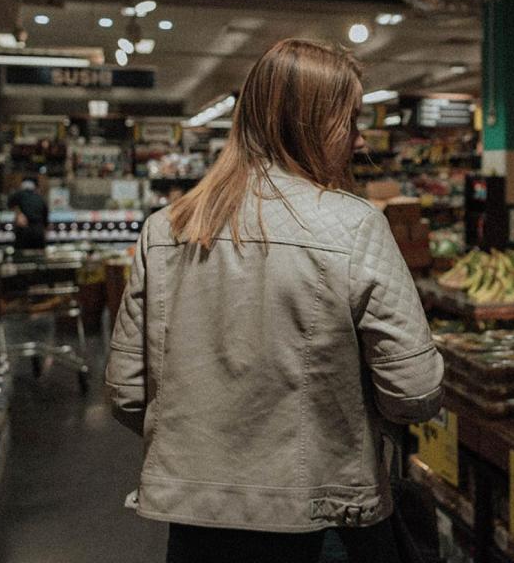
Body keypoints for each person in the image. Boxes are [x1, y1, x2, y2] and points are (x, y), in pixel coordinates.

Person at [106, 39, 444, 563]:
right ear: (306, 123)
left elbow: (127, 393)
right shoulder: (354, 227)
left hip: (197, 523)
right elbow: (415, 392)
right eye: (349, 121)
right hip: (325, 522)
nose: (359, 140)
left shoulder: (165, 229)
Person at [7, 177, 48, 250]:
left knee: (21, 256)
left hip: (24, 230)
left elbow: (9, 204)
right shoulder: (40, 198)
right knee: (39, 256)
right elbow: (45, 216)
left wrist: (18, 214)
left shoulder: (18, 194)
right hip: (38, 231)